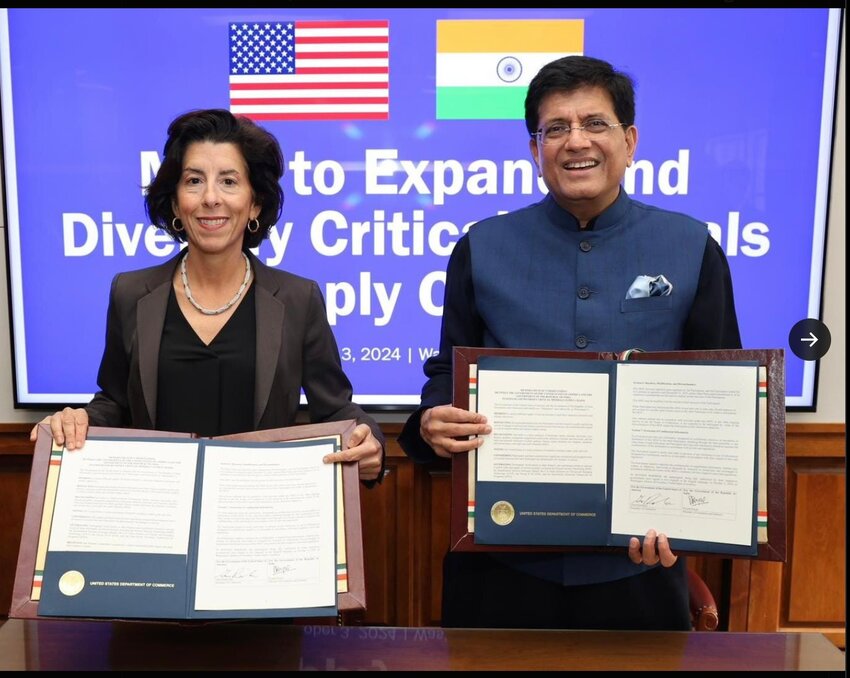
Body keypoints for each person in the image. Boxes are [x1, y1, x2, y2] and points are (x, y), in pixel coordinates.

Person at [398, 56, 741, 629]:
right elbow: (446, 370)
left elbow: (721, 399)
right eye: (555, 128)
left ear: (629, 141)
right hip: (500, 563)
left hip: (639, 569)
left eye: (594, 123)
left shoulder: (692, 247)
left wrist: (688, 513)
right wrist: (435, 415)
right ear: (536, 150)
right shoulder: (481, 248)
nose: (575, 141)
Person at [30, 108, 385, 483]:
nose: (210, 198)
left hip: (257, 520)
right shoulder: (131, 293)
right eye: (194, 180)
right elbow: (115, 402)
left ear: (255, 203)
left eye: (229, 182)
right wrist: (77, 419)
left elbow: (336, 412)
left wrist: (372, 442)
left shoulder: (298, 298)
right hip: (158, 517)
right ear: (175, 202)